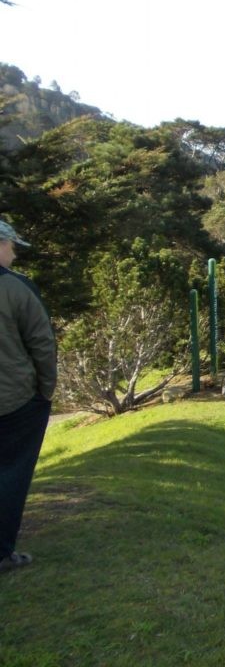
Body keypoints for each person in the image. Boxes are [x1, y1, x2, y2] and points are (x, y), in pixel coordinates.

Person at [0, 219, 57, 573]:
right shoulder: (16, 289)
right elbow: (42, 343)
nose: (14, 253)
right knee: (10, 475)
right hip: (15, 402)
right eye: (10, 245)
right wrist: (45, 392)